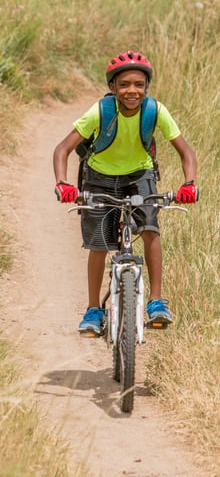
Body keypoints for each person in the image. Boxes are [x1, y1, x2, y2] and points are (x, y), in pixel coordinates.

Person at [53, 50, 197, 335]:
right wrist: (63, 184)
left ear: (147, 87)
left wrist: (189, 183)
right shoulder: (101, 112)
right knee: (99, 244)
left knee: (150, 229)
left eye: (139, 85)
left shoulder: (155, 111)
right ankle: (94, 308)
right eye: (124, 85)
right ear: (113, 88)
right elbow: (62, 149)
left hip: (139, 175)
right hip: (99, 177)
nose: (132, 90)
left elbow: (186, 151)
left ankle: (156, 301)